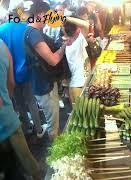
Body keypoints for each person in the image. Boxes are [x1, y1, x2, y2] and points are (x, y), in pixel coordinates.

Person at [25, 1, 74, 140]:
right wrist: (64, 46)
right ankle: (56, 152)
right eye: (47, 16)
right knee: (53, 123)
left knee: (53, 118)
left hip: (42, 82)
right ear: (40, 14)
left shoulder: (31, 31)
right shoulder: (34, 34)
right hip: (43, 86)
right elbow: (52, 60)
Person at [0, 11, 46, 138]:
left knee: (19, 102)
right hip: (26, 71)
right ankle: (39, 130)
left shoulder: (1, 30)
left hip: (9, 74)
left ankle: (27, 127)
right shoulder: (26, 28)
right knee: (31, 100)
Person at [0, 39, 40, 180]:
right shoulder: (2, 45)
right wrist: (7, 101)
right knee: (28, 161)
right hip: (9, 118)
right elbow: (11, 82)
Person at [62, 17, 89, 104]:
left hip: (76, 85)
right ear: (77, 30)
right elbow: (85, 24)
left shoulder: (72, 43)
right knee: (82, 116)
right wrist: (65, 17)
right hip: (79, 86)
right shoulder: (77, 43)